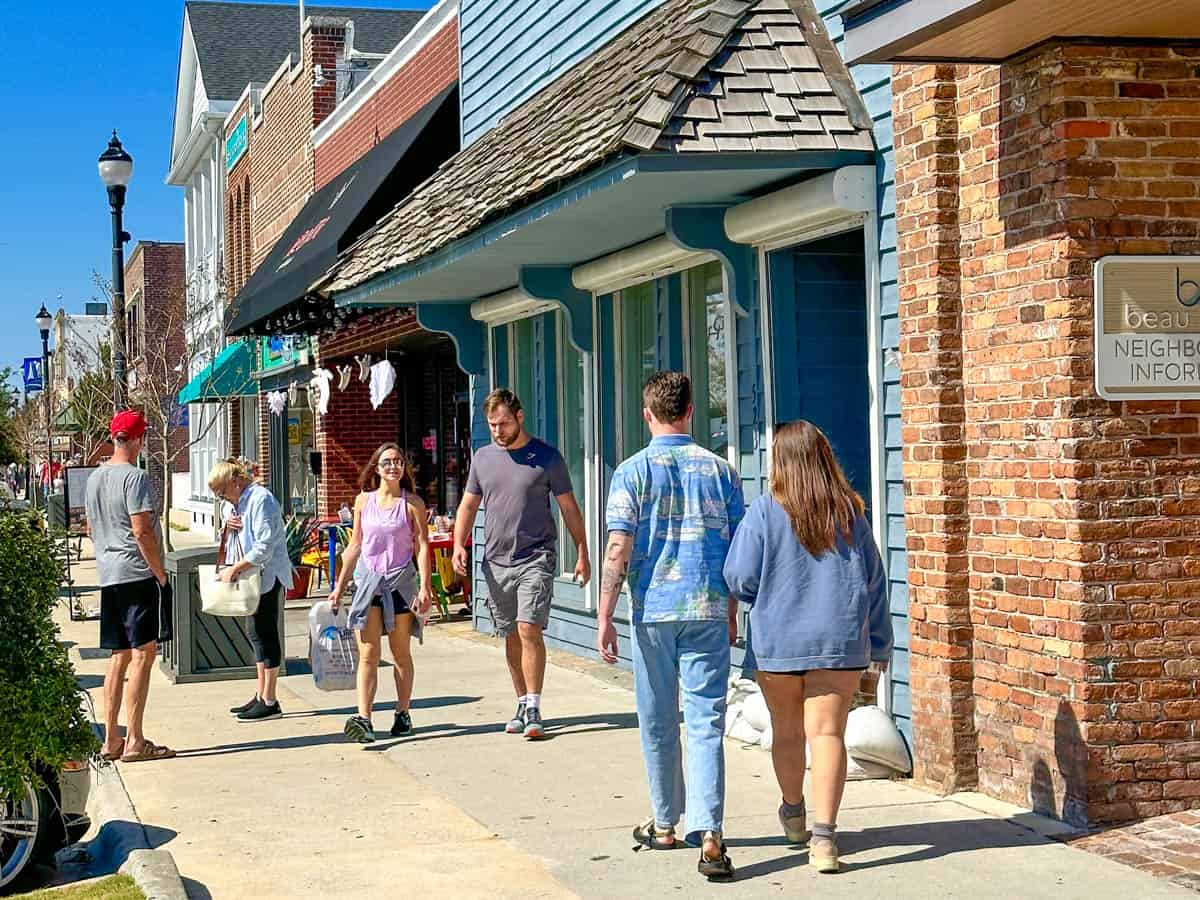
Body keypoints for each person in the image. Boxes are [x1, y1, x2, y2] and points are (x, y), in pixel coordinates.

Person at [723, 420, 892, 874]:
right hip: (837, 641)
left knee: (788, 732)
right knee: (828, 735)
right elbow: (874, 584)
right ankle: (825, 839)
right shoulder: (851, 514)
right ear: (823, 457)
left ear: (779, 460)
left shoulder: (763, 511)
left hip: (778, 641)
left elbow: (740, 577)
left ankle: (793, 813)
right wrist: (880, 641)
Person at [597, 371, 743, 881]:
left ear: (648, 415)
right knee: (706, 723)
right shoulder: (722, 471)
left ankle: (664, 823)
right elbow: (736, 551)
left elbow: (619, 547)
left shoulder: (631, 473)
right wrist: (731, 609)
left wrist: (605, 613)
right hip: (706, 605)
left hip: (653, 611)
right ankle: (711, 835)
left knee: (658, 719)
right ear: (689, 412)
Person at [452, 388, 590, 740]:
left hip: (535, 556)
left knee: (529, 628)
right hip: (496, 560)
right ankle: (520, 700)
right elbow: (468, 506)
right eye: (492, 425)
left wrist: (583, 550)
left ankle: (534, 706)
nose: (498, 431)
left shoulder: (546, 458)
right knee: (511, 633)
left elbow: (569, 507)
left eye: (503, 423)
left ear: (520, 416)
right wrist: (458, 544)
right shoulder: (483, 458)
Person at [86, 410, 175, 763]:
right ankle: (135, 739)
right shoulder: (135, 478)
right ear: (138, 439)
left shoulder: (94, 478)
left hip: (109, 575)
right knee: (143, 655)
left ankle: (111, 738)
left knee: (118, 656)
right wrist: (160, 574)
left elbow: (91, 529)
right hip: (137, 574)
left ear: (114, 438)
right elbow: (142, 531)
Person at [330, 444, 433, 743]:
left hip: (400, 584)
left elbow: (422, 546)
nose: (393, 467)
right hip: (368, 584)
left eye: (398, 462)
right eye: (387, 462)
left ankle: (403, 713)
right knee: (369, 655)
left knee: (401, 654)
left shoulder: (412, 503)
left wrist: (425, 586)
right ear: (376, 468)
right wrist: (338, 587)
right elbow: (355, 545)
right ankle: (364, 718)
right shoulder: (364, 501)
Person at [208, 458, 293, 722]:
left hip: (266, 575)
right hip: (251, 575)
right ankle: (260, 693)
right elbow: (230, 518)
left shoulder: (261, 500)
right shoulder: (237, 502)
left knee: (265, 632)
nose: (223, 499)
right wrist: (227, 521)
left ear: (235, 481)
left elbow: (264, 546)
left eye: (223, 492)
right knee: (255, 633)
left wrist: (235, 568)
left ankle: (270, 700)